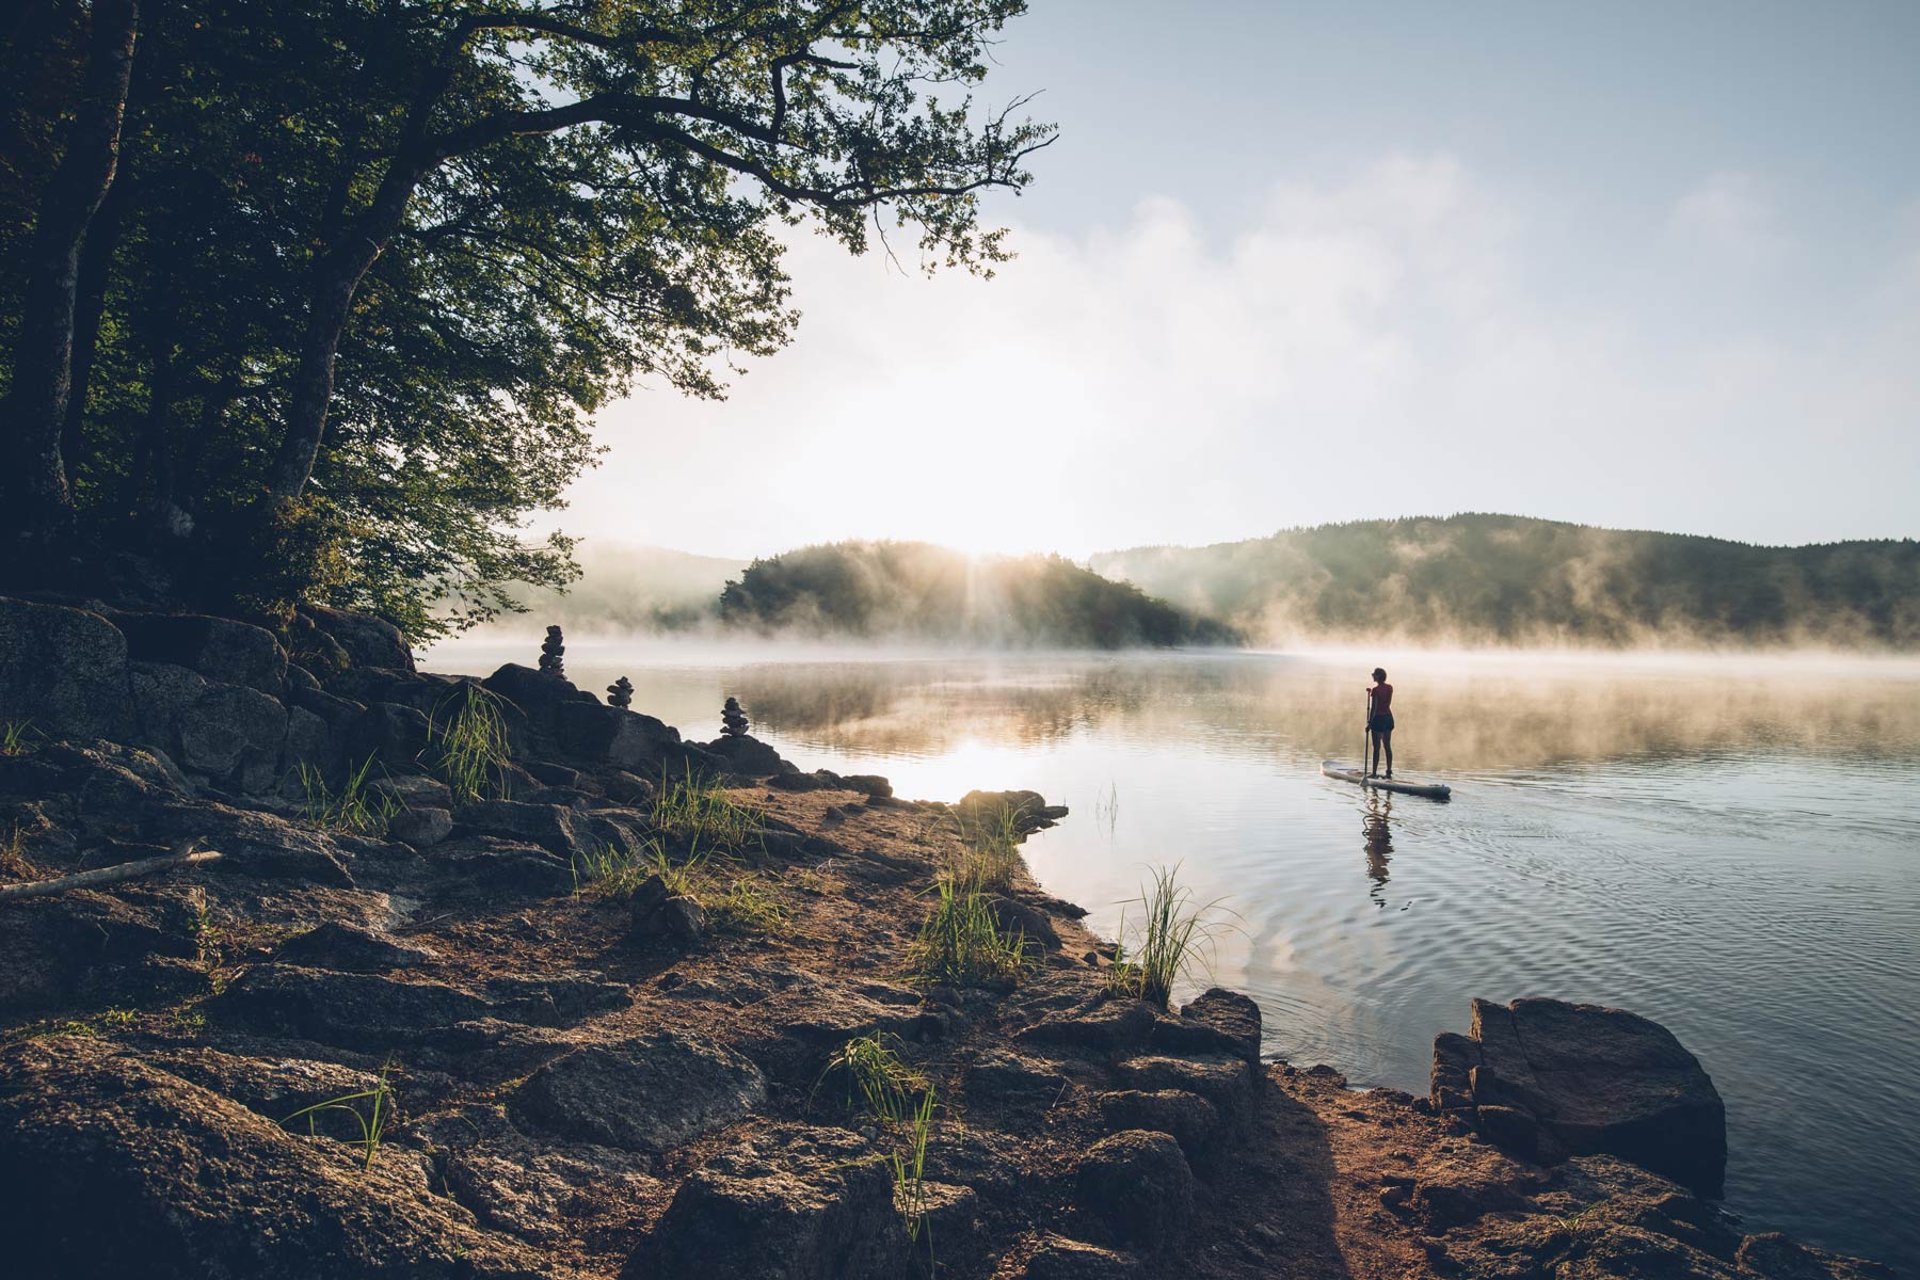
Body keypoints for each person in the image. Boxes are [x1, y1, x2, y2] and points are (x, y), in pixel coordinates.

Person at [1367, 667, 1394, 778]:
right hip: (1388, 717)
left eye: (1374, 674)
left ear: (1378, 676)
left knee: (1376, 747)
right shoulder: (1390, 688)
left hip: (1378, 719)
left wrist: (1369, 724)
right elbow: (1387, 703)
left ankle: (1374, 773)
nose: (1372, 675)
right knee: (1387, 745)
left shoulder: (1376, 690)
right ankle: (1388, 771)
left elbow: (1374, 708)